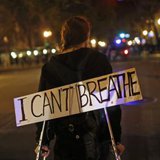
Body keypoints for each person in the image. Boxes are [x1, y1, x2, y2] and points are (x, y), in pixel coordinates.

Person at [35, 16, 125, 160]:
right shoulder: (99, 61)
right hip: (95, 140)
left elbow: (44, 107)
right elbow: (111, 104)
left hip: (65, 142)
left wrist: (43, 141)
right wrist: (115, 138)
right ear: (87, 35)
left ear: (64, 36)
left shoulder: (50, 67)